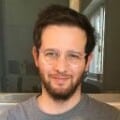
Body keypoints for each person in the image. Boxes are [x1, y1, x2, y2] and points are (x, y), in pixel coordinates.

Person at [1, 4, 120, 120]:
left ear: (87, 61)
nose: (61, 68)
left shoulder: (112, 117)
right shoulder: (11, 117)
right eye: (51, 54)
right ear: (36, 56)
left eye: (73, 56)